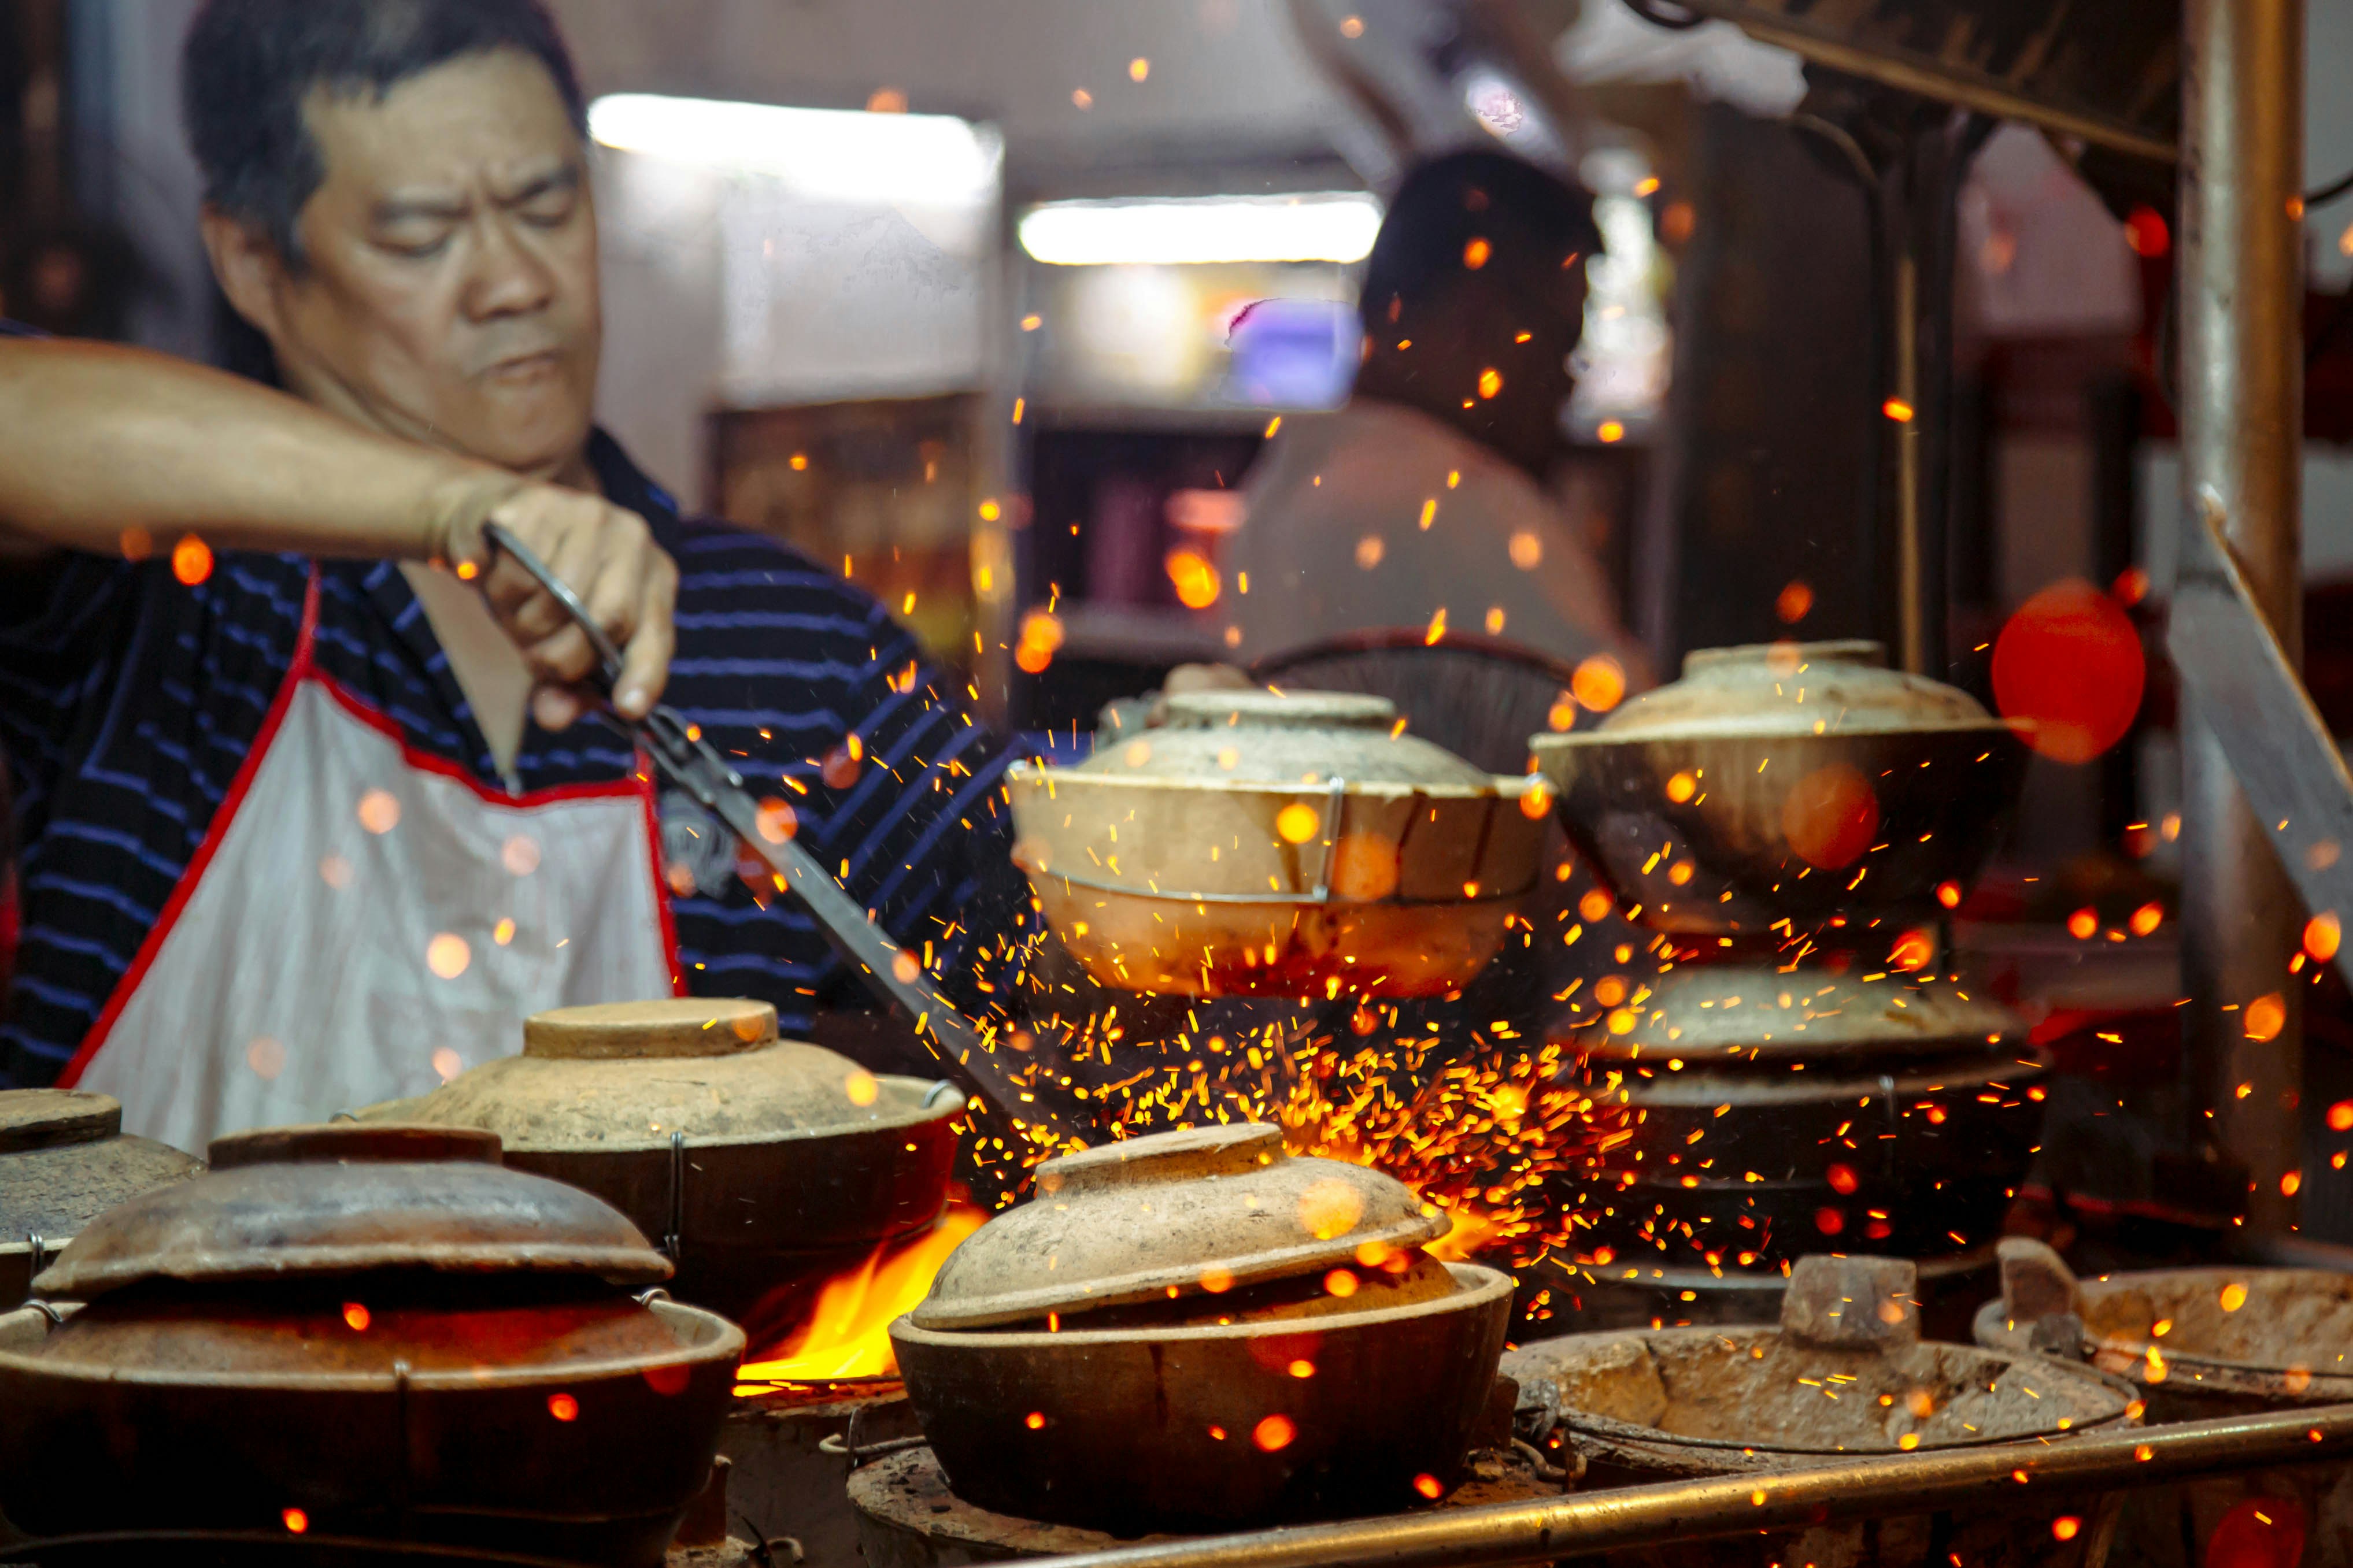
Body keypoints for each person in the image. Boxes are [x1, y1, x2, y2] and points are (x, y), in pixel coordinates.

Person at [0, 0, 1027, 1151]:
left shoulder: (794, 651)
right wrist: (461, 508)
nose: (511, 284)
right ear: (251, 260)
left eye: (546, 206)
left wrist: (1175, 791)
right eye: (420, 235)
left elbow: (1046, 912)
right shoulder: (164, 599)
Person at [1225, 150, 1649, 679]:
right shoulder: (1478, 511)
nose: (1568, 382)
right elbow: (1631, 737)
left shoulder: (1279, 490)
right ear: (1480, 322)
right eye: (1561, 344)